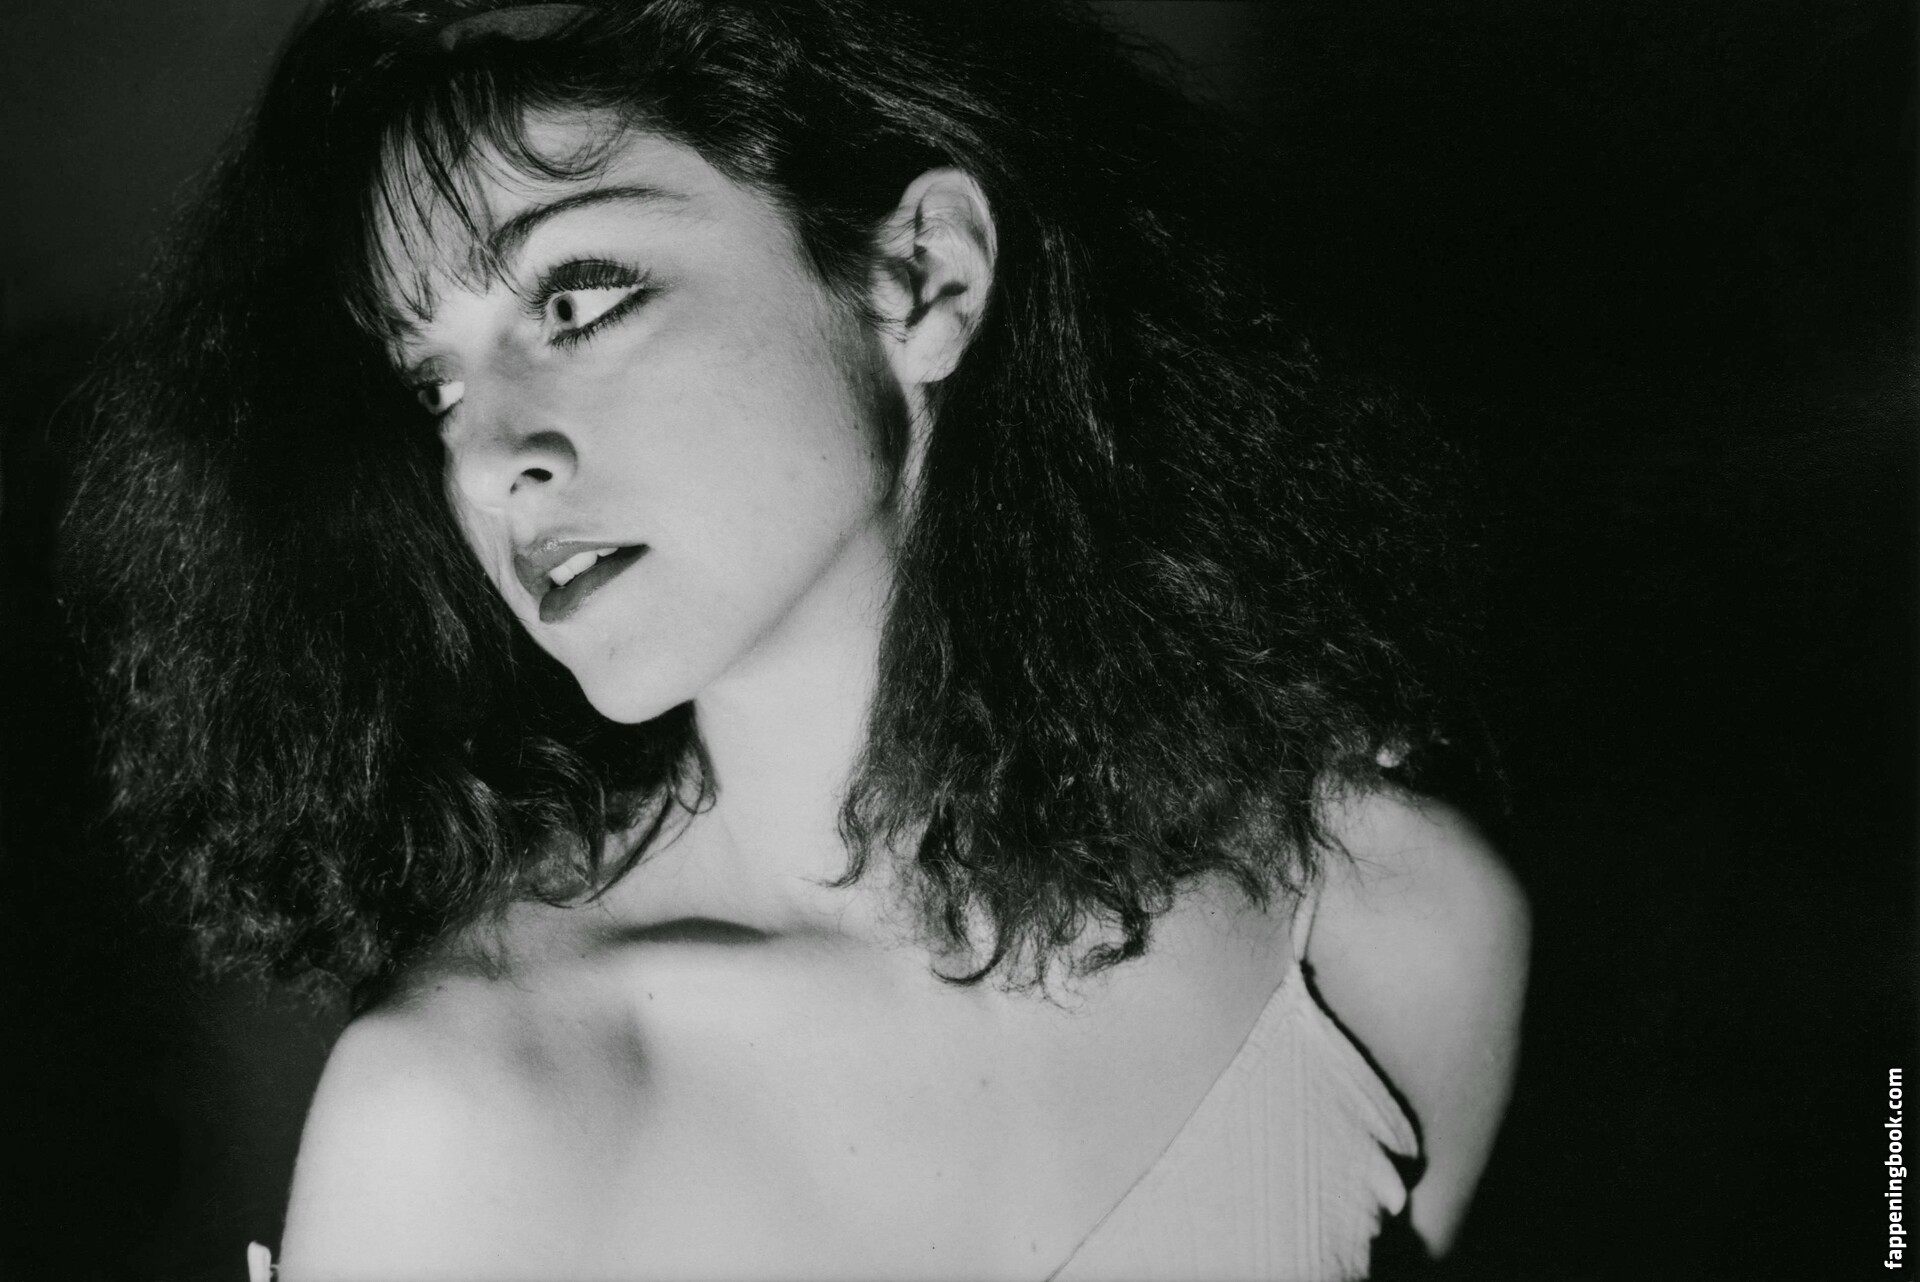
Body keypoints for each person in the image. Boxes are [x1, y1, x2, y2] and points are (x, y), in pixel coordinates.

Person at [62, 1, 1529, 1278]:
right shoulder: (471, 1110)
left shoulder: (1380, 932)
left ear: (922, 278)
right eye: (434, 384)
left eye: (579, 300)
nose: (489, 458)